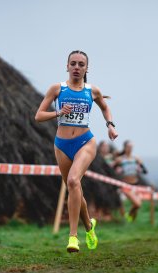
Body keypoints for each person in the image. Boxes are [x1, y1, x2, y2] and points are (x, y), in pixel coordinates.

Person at [35, 50, 118, 253]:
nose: (77, 67)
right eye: (73, 63)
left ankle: (73, 237)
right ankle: (89, 227)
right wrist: (58, 112)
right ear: (67, 66)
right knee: (74, 189)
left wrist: (110, 125)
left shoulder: (92, 90)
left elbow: (105, 107)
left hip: (85, 142)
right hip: (61, 144)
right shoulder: (57, 89)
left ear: (86, 68)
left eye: (81, 64)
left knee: (73, 181)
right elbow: (38, 115)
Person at [113, 140, 147, 222]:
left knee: (137, 205)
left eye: (131, 147)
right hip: (126, 185)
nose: (130, 149)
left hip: (136, 184)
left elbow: (145, 171)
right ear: (124, 148)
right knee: (137, 204)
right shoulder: (120, 159)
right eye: (128, 147)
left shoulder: (136, 159)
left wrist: (140, 169)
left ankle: (131, 222)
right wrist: (117, 171)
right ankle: (128, 216)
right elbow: (111, 170)